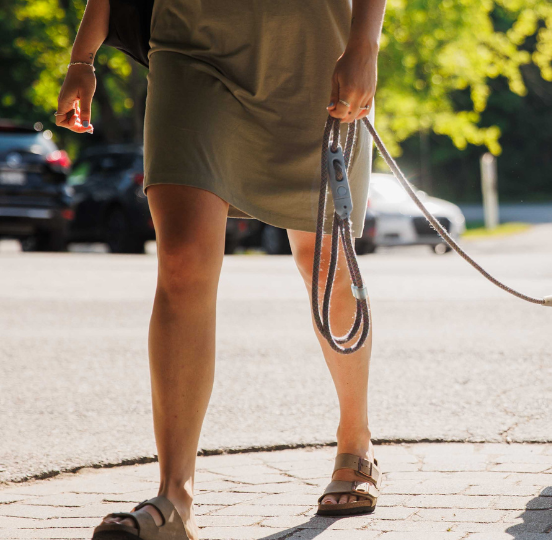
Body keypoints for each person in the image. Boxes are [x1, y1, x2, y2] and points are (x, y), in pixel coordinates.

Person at [55, 0, 386, 537]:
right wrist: (82, 57)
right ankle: (175, 497)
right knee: (182, 259)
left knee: (325, 262)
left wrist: (364, 44)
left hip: (315, 49)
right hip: (190, 47)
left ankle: (356, 441)